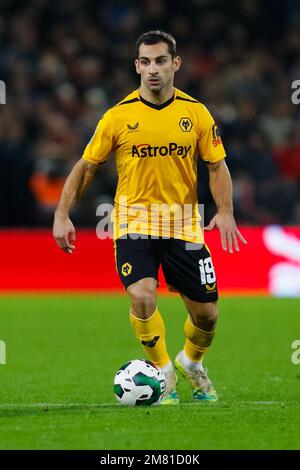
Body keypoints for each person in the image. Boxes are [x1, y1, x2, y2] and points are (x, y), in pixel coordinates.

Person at [53, 30, 247, 405]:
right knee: (142, 296)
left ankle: (191, 362)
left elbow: (216, 165)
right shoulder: (118, 117)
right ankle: (164, 372)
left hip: (184, 227)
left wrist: (225, 211)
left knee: (207, 316)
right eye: (145, 62)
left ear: (175, 64)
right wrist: (63, 213)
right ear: (137, 66)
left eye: (161, 61)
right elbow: (86, 166)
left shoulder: (196, 113)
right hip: (132, 224)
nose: (153, 69)